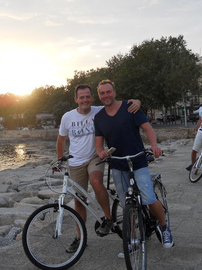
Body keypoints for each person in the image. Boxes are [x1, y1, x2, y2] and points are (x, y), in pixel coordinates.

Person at [57, 84, 141, 253]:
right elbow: (61, 140)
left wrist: (137, 101)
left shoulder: (99, 110)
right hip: (75, 162)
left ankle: (108, 219)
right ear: (76, 99)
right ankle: (80, 238)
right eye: (82, 97)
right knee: (79, 202)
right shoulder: (67, 117)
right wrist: (59, 160)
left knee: (96, 182)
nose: (85, 99)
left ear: (92, 98)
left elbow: (118, 104)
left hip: (95, 157)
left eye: (88, 96)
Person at [94, 79, 174, 253]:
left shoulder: (130, 108)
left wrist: (154, 145)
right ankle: (133, 239)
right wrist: (100, 152)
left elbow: (148, 128)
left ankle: (164, 227)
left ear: (114, 92)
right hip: (117, 164)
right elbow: (99, 144)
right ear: (99, 96)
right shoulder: (99, 117)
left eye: (108, 92)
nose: (106, 95)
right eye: (102, 93)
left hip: (137, 160)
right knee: (126, 205)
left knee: (148, 198)